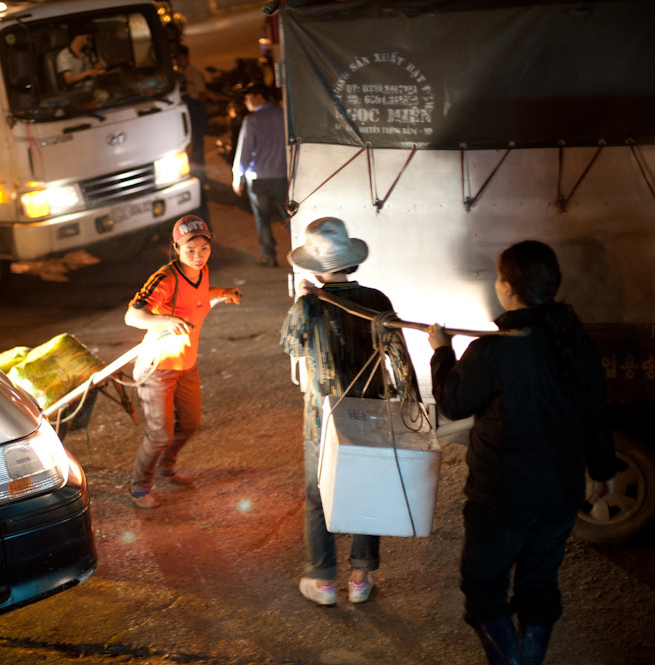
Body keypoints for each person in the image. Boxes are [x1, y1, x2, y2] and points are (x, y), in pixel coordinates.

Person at [427, 240, 616, 665]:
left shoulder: (493, 349)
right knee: (539, 582)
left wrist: (441, 351)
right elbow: (595, 415)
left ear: (509, 288)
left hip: (502, 495)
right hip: (560, 492)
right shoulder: (577, 343)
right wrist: (603, 470)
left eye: (499, 278)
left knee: (483, 585)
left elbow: (453, 403)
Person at [281, 217, 417, 606]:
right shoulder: (377, 301)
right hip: (371, 411)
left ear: (314, 267)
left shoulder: (308, 305)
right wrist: (408, 400)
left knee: (317, 495)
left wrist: (302, 301)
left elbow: (292, 346)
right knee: (367, 489)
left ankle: (322, 579)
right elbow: (399, 357)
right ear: (350, 260)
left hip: (322, 416)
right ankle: (360, 578)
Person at [126, 215, 242, 509]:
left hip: (186, 366)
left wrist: (224, 292)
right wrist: (166, 319)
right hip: (157, 369)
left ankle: (166, 469)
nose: (198, 256)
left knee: (190, 424)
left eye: (204, 248)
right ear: (176, 247)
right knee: (159, 435)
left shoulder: (201, 271)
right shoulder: (165, 278)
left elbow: (199, 296)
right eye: (190, 249)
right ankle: (139, 488)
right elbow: (132, 315)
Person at [232, 81, 287, 267]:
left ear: (259, 96)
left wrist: (238, 177)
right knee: (289, 216)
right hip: (281, 176)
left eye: (248, 97)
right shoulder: (283, 115)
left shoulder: (252, 120)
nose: (246, 102)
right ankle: (302, 250)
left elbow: (244, 152)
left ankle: (268, 255)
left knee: (262, 218)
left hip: (258, 178)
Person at [176, 44, 208, 180]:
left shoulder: (193, 72)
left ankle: (201, 174)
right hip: (187, 111)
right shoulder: (179, 72)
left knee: (197, 143)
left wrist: (199, 108)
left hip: (195, 110)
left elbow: (202, 93)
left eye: (180, 58)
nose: (179, 61)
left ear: (186, 57)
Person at [56, 23, 107, 89]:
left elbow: (99, 67)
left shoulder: (88, 53)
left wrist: (103, 67)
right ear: (79, 36)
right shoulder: (64, 55)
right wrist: (88, 74)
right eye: (88, 34)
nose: (90, 37)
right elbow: (68, 80)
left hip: (92, 87)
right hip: (76, 91)